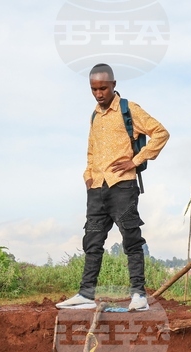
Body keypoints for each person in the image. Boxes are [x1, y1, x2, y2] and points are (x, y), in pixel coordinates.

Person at [56, 63, 170, 312]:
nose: (99, 94)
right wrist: (88, 176)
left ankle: (138, 294)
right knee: (92, 240)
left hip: (123, 187)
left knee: (131, 238)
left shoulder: (129, 110)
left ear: (114, 85)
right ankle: (86, 294)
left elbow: (160, 133)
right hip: (97, 188)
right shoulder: (94, 115)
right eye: (94, 89)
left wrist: (136, 160)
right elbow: (91, 150)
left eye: (103, 88)